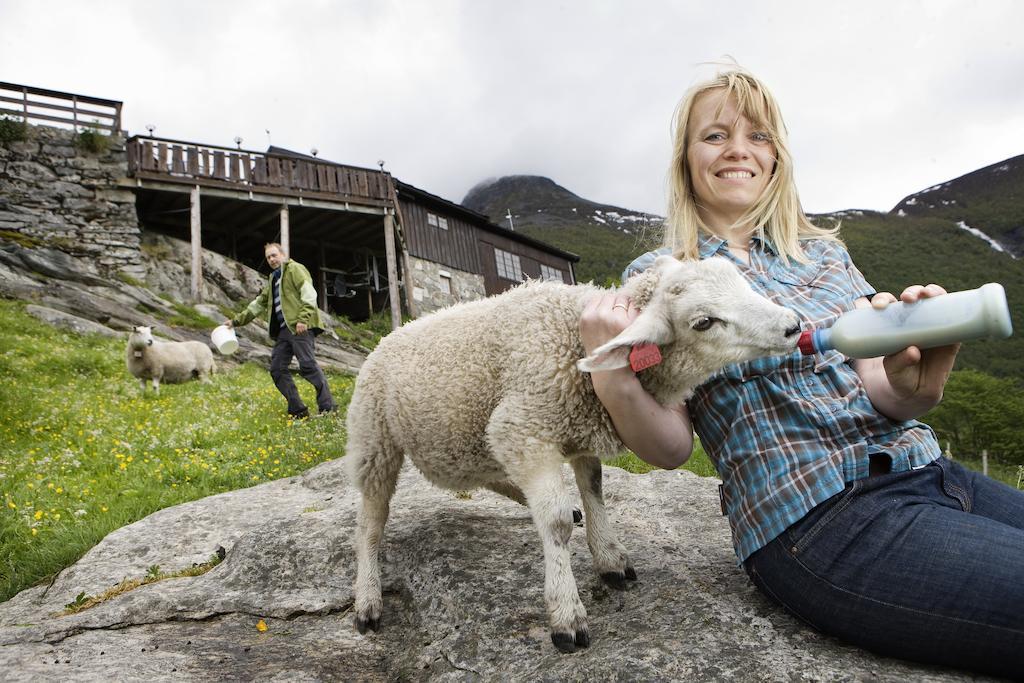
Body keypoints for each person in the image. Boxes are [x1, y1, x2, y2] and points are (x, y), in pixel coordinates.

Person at [580, 67, 1024, 677]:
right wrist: (613, 373)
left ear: (776, 158)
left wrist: (915, 388)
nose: (739, 148)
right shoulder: (663, 274)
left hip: (931, 472)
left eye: (758, 135)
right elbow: (671, 446)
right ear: (685, 159)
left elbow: (877, 387)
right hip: (823, 520)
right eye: (715, 135)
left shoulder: (823, 254)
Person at [225, 242, 336, 419]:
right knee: (277, 369)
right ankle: (298, 410)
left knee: (308, 365)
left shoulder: (295, 269)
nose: (271, 259)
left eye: (274, 255)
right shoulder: (273, 279)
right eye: (268, 257)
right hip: (284, 331)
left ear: (283, 255)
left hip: (300, 326)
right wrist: (235, 321)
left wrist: (303, 319)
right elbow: (257, 305)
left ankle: (328, 407)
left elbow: (309, 293)